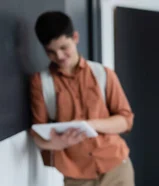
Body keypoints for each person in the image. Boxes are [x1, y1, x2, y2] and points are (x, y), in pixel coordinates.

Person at [30, 11, 135, 186]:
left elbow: (126, 121)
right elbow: (37, 133)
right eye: (51, 52)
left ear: (76, 37)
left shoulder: (103, 74)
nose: (60, 57)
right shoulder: (40, 83)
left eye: (64, 48)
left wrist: (91, 125)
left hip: (116, 168)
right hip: (75, 176)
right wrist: (55, 144)